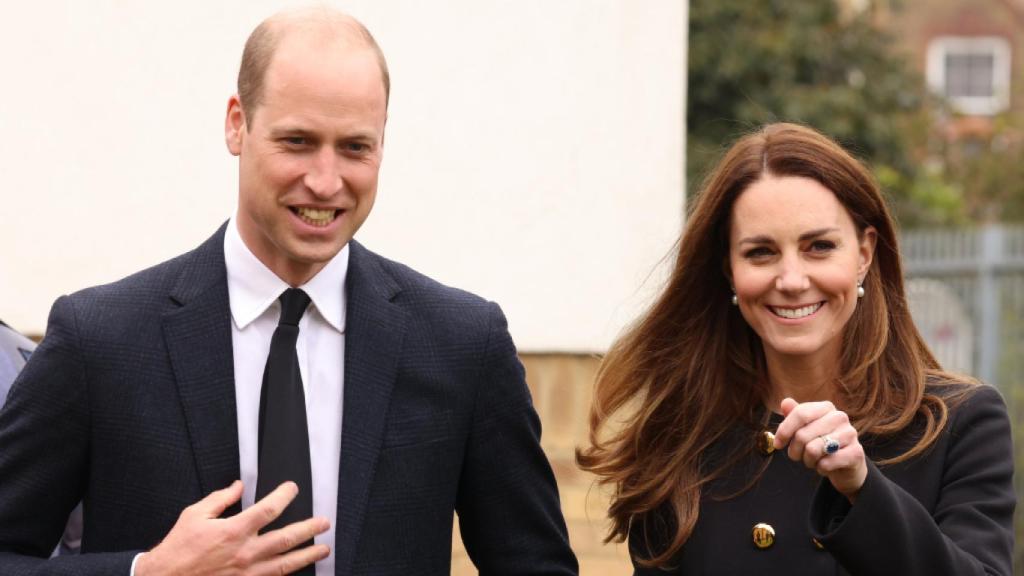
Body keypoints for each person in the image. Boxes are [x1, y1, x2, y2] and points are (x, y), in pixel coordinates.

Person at [0, 8, 577, 576]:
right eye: (298, 141)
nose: (326, 181)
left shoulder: (463, 346)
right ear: (236, 123)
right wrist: (148, 573)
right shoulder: (100, 339)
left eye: (355, 147)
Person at [577, 123, 1014, 575]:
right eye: (761, 253)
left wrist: (861, 488)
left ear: (864, 255)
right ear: (729, 269)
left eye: (819, 247)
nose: (791, 280)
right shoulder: (682, 435)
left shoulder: (956, 424)